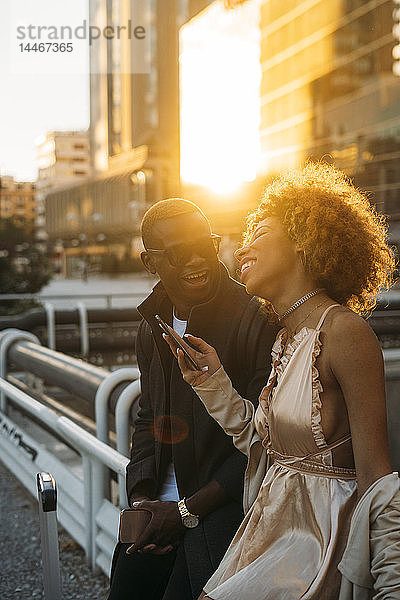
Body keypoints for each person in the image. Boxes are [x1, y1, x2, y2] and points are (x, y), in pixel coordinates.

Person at [164, 163, 400, 599]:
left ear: (303, 240)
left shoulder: (346, 332)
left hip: (319, 545)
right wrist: (212, 383)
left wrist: (391, 587)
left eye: (259, 232)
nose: (241, 250)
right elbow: (267, 448)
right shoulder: (285, 341)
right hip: (272, 531)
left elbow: (377, 477)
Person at [107, 198, 277, 600]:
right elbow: (148, 417)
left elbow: (265, 439)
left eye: (207, 244)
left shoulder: (256, 319)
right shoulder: (152, 324)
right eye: (180, 252)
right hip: (156, 516)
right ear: (151, 263)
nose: (197, 259)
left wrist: (186, 512)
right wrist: (143, 500)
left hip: (226, 517)